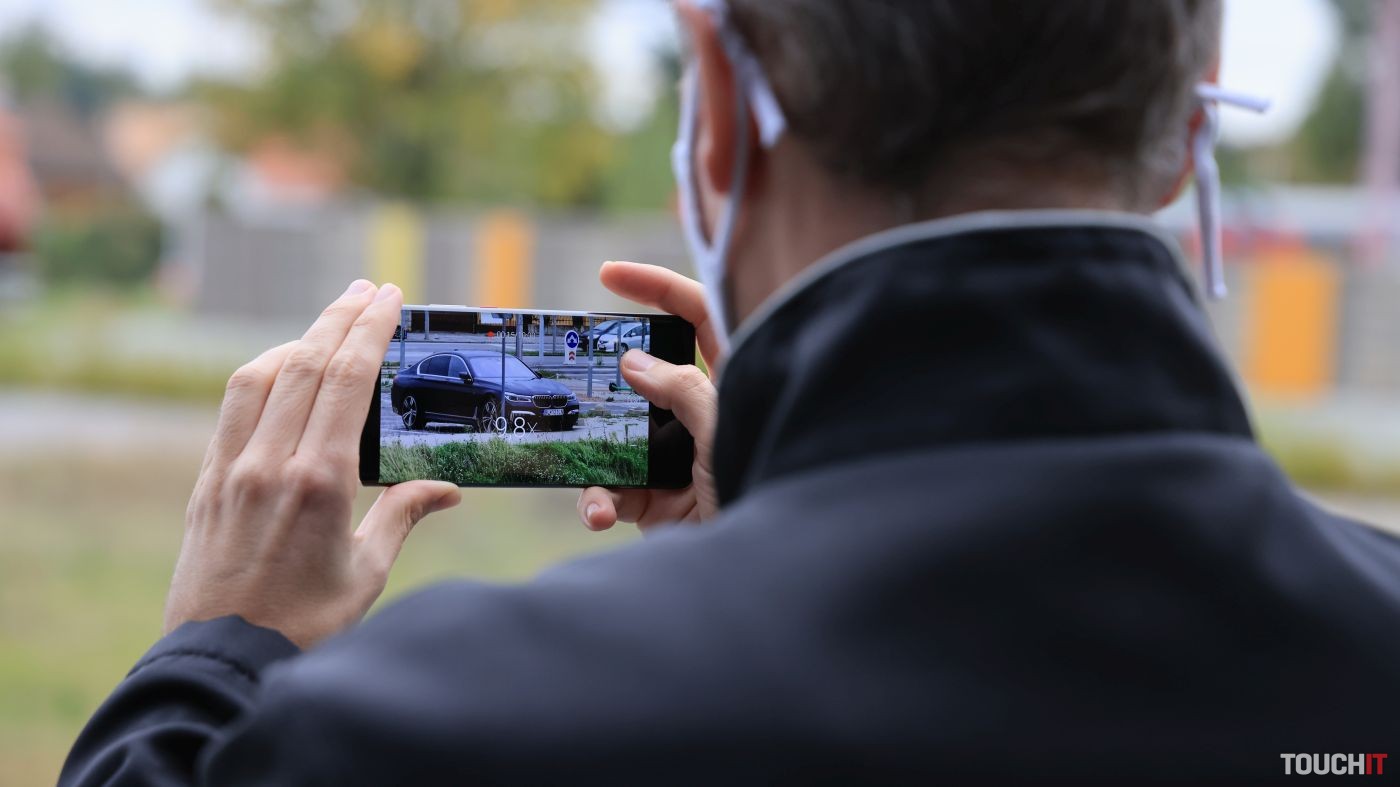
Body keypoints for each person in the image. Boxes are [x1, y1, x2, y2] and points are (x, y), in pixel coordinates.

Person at [62, 1, 1400, 784]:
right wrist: (771, 544)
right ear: (1184, 138)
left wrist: (214, 663)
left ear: (715, 111)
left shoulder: (434, 729)